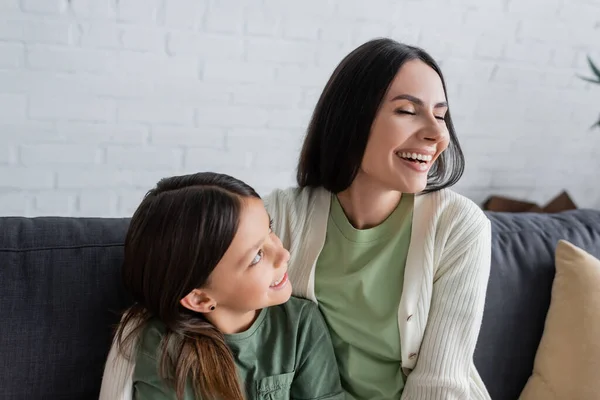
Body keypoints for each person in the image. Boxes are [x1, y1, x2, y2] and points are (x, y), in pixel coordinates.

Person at [264, 38, 492, 400]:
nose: (437, 134)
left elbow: (440, 384)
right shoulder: (283, 215)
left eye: (440, 114)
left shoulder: (459, 226)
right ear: (350, 118)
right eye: (407, 110)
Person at [98, 172, 343, 400]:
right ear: (200, 299)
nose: (283, 254)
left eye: (270, 229)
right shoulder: (164, 348)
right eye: (257, 256)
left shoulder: (300, 324)